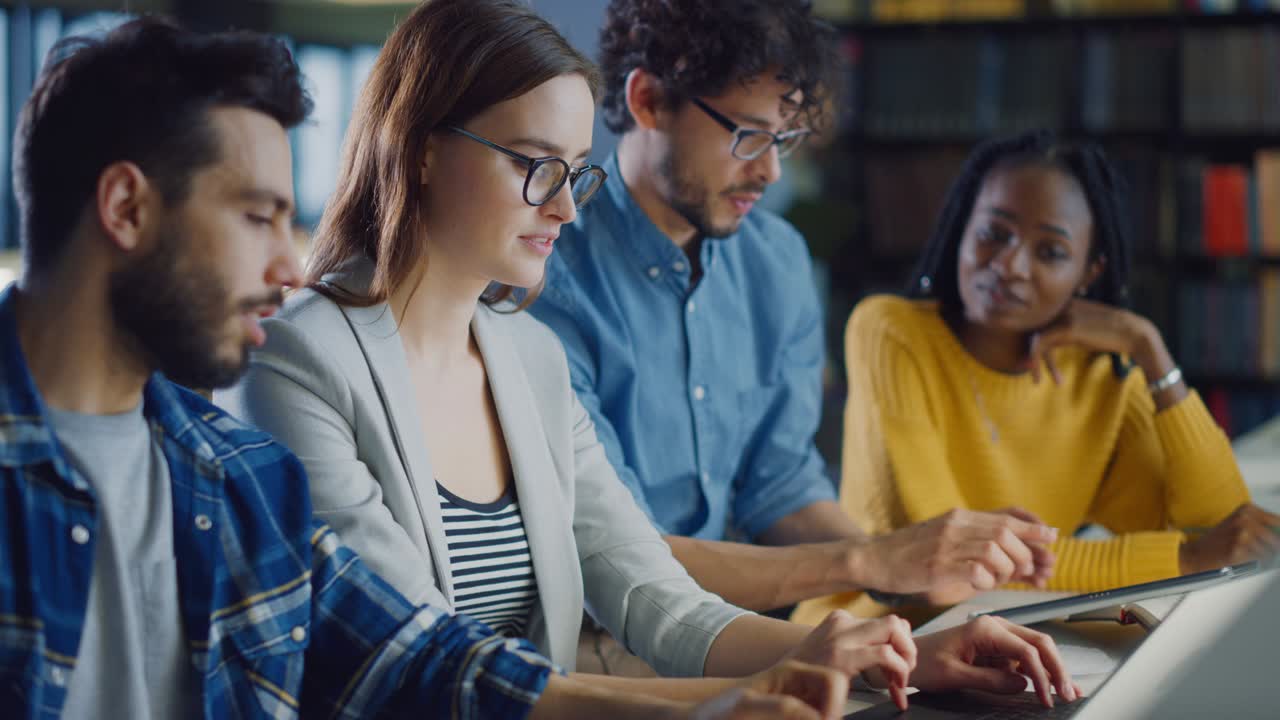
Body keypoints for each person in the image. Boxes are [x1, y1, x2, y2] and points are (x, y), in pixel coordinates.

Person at [218, 0, 1081, 711]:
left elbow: (649, 593)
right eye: (533, 165)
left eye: (575, 172)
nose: (563, 206)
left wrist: (896, 654)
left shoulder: (529, 355)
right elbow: (432, 662)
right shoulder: (297, 363)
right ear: (422, 150)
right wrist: (715, 705)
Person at [0, 16, 859, 720]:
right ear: (124, 207)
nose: (286, 266)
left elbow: (419, 659)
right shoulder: (289, 376)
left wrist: (813, 676)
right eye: (256, 216)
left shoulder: (226, 472)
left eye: (573, 174)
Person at [525, 0, 1056, 632]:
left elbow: (778, 485)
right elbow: (622, 559)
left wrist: (930, 584)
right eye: (747, 135)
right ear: (647, 101)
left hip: (728, 626)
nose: (770, 170)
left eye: (784, 139)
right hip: (592, 639)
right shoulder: (543, 277)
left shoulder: (775, 261)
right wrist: (873, 563)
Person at [792, 130, 1280, 624]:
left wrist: (1148, 349)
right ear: (963, 226)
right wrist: (1185, 562)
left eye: (1050, 252)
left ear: (1089, 273)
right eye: (994, 233)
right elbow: (947, 565)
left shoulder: (1102, 381)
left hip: (1003, 648)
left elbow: (1223, 532)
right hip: (857, 649)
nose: (1010, 266)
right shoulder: (891, 333)